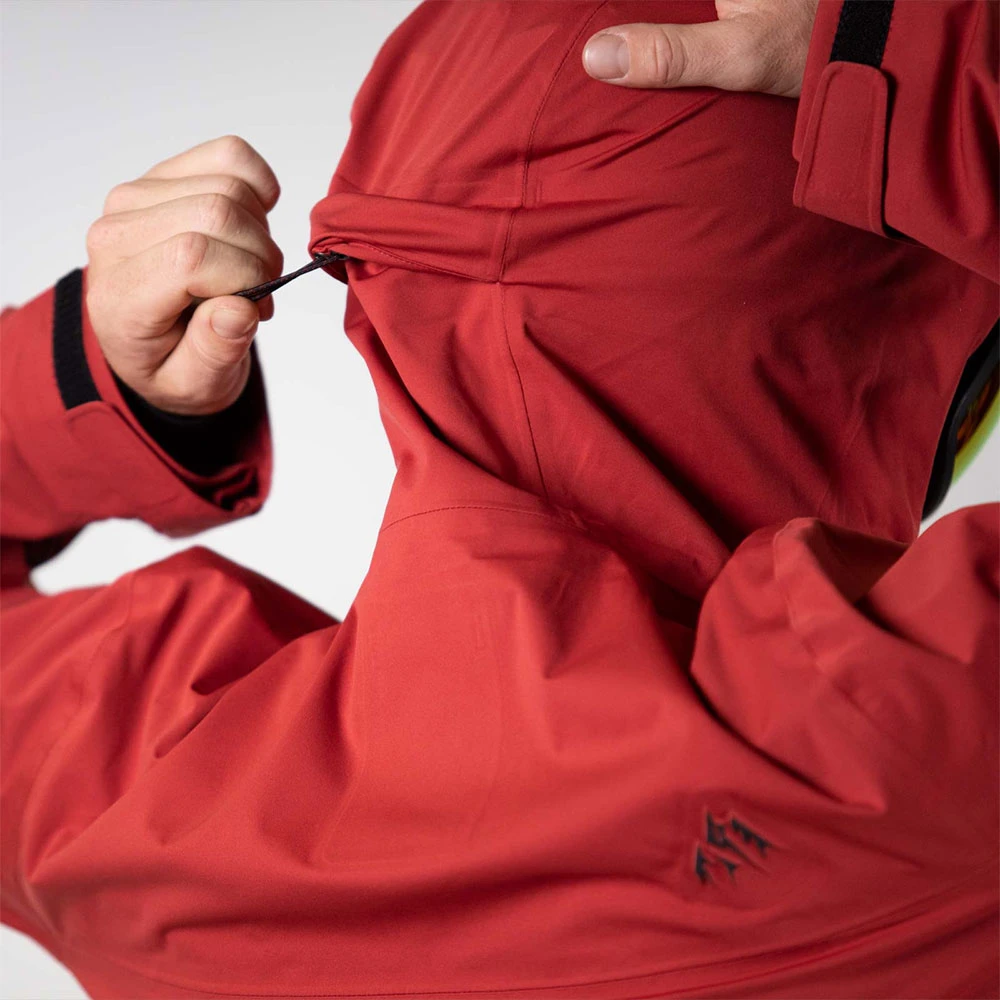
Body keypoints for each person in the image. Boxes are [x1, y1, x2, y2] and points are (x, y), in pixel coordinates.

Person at [1, 1, 996, 997]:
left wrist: (94, 371)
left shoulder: (161, 856)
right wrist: (929, 70)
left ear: (381, 303)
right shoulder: (910, 743)